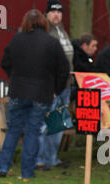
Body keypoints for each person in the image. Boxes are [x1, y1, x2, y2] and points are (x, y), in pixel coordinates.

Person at [0, 9, 69, 178]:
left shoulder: (16, 40)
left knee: (13, 130)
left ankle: (2, 167)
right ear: (44, 23)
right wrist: (55, 90)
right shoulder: (52, 43)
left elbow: (5, 62)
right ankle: (27, 171)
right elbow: (63, 70)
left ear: (25, 23)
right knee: (32, 132)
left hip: (18, 91)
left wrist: (14, 78)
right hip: (41, 93)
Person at [36, 0, 74, 170]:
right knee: (43, 123)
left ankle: (52, 157)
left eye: (59, 12)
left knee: (58, 123)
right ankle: (38, 159)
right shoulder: (44, 32)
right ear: (47, 14)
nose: (56, 15)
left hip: (65, 84)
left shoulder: (63, 32)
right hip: (50, 86)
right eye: (53, 12)